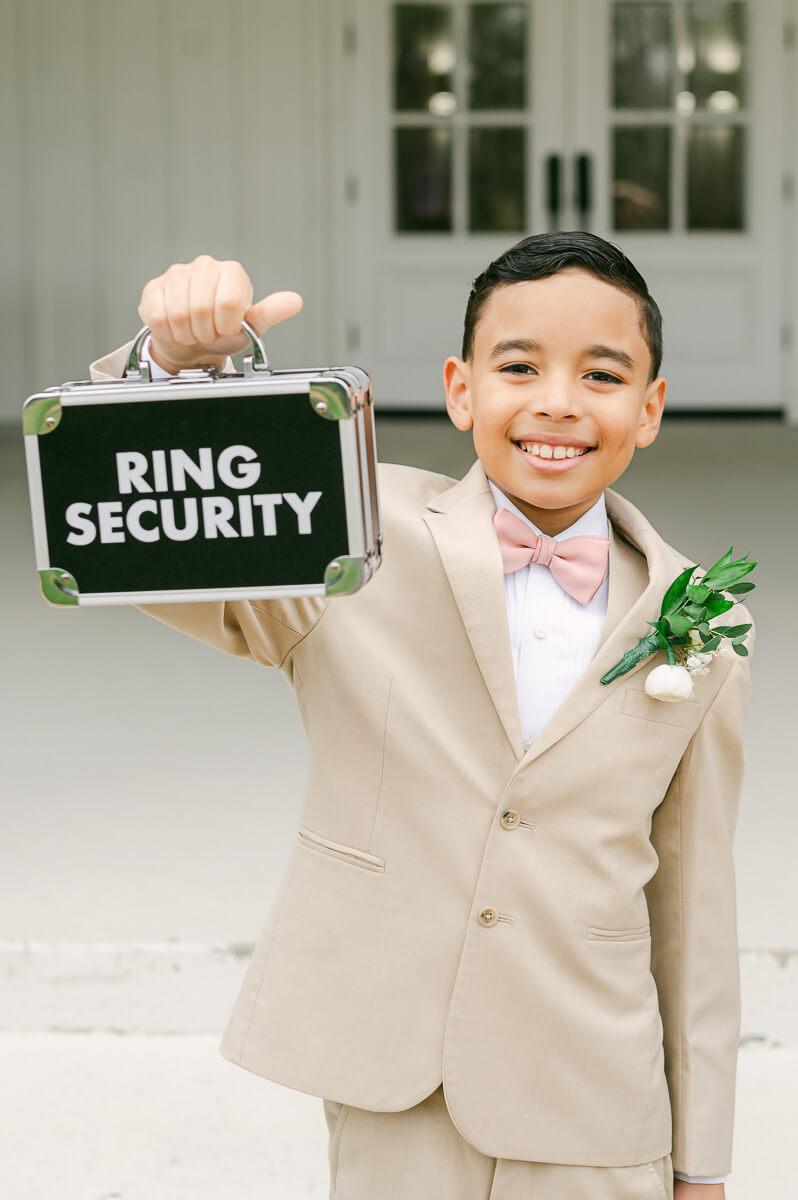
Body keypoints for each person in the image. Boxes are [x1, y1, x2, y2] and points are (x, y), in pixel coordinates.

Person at [89, 232, 755, 1200]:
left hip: (598, 1099)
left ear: (649, 408)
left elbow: (695, 916)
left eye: (601, 374)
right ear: (460, 389)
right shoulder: (350, 530)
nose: (557, 401)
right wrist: (174, 369)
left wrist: (703, 1163)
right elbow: (147, 545)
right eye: (518, 366)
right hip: (397, 1076)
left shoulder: (706, 623)